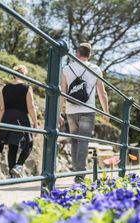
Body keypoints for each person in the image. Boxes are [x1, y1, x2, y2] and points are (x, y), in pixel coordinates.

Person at [59, 43, 109, 183]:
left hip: (71, 110)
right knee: (83, 141)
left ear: (76, 53)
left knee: (75, 139)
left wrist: (58, 112)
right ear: (89, 55)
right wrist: (106, 112)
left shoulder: (66, 69)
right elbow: (102, 93)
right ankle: (80, 174)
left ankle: (77, 170)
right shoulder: (95, 69)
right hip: (88, 110)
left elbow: (62, 92)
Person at [0, 65, 38, 178]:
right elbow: (31, 107)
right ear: (24, 75)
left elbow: (1, 109)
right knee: (29, 143)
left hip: (7, 118)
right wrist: (35, 123)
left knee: (12, 146)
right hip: (21, 118)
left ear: (13, 74)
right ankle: (18, 166)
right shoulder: (26, 87)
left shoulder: (5, 88)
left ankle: (12, 174)